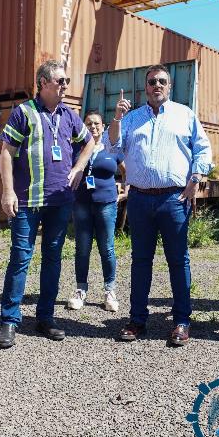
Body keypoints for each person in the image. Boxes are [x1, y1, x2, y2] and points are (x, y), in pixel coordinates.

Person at [108, 65, 212, 347]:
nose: (157, 85)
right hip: (140, 199)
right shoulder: (130, 119)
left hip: (173, 199)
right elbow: (112, 149)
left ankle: (181, 321)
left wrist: (196, 178)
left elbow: (203, 149)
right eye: (152, 82)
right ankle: (137, 320)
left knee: (178, 261)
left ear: (170, 86)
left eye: (162, 82)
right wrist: (116, 119)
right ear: (146, 88)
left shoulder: (185, 115)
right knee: (141, 261)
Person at [0, 60, 96, 348]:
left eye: (66, 81)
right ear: (42, 82)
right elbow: (6, 153)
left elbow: (88, 142)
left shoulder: (70, 115)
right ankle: (9, 321)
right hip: (27, 201)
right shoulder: (23, 113)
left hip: (59, 200)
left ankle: (45, 317)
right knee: (20, 259)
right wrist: (7, 192)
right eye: (60, 81)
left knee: (52, 259)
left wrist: (78, 168)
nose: (65, 86)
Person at [66, 111, 126, 313]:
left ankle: (110, 291)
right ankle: (80, 289)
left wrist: (126, 191)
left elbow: (126, 171)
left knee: (107, 248)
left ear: (103, 126)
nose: (93, 127)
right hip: (81, 203)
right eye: (89, 123)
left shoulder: (112, 148)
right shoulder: (76, 148)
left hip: (107, 204)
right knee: (82, 249)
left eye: (97, 123)